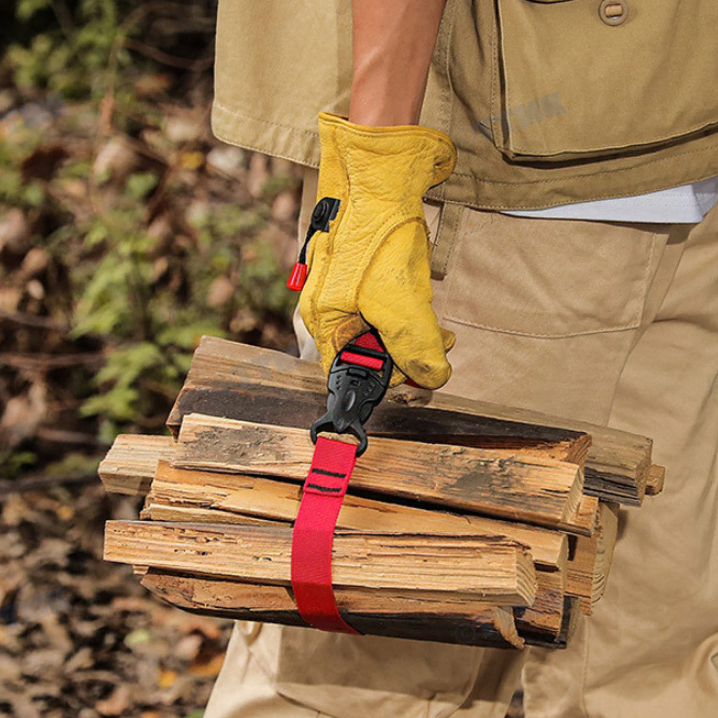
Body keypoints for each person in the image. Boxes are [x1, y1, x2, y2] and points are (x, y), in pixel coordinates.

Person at [203, 1, 718, 716]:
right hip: (499, 162)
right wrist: (380, 169)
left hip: (683, 132)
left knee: (650, 664)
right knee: (382, 661)